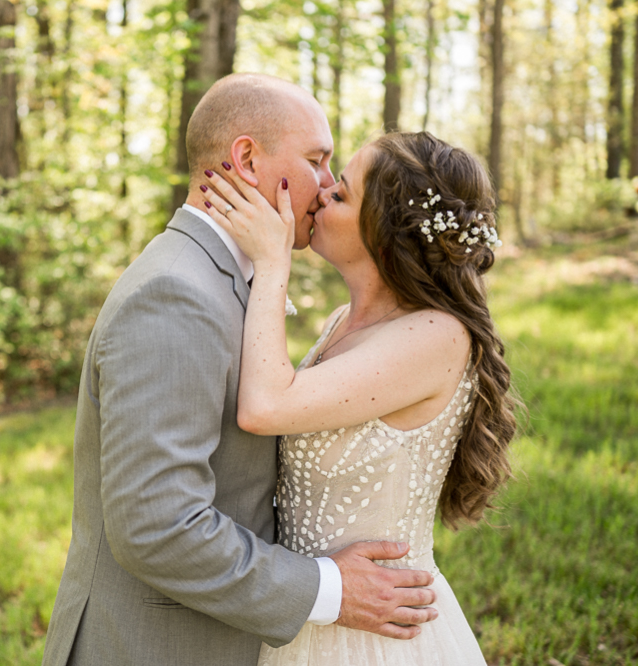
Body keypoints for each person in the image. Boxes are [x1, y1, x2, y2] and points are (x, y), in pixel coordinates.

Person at [42, 74, 441, 666]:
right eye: (316, 160)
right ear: (247, 160)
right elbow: (157, 526)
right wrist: (329, 589)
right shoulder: (177, 295)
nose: (328, 184)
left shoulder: (220, 278)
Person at [199, 130, 518, 665]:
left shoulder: (436, 336)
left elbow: (265, 408)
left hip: (378, 628)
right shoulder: (340, 323)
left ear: (385, 234)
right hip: (310, 606)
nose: (321, 192)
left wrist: (274, 262)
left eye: (342, 193)